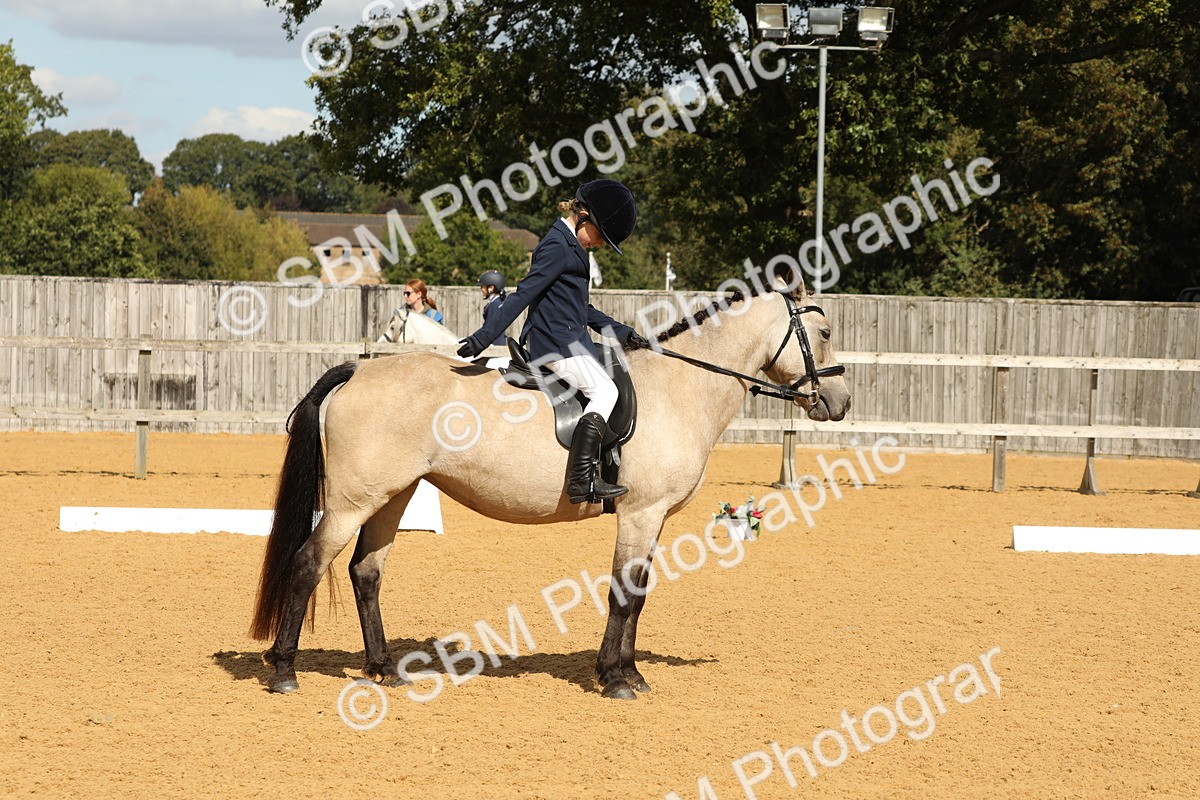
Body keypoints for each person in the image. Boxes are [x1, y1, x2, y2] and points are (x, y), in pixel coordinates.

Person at [457, 179, 649, 505]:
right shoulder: (558, 246)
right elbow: (524, 294)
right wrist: (484, 337)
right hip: (554, 345)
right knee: (606, 391)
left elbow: (580, 308)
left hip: (571, 338)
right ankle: (582, 479)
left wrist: (620, 331)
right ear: (584, 215)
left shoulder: (573, 245)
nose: (601, 243)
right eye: (601, 235)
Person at [478, 270, 508, 347]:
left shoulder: (495, 304)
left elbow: (489, 328)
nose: (481, 289)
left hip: (494, 344)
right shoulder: (497, 302)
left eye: (483, 286)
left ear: (491, 287)